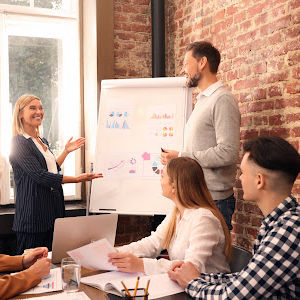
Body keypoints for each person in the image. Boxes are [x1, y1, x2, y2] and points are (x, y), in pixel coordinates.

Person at [168, 136, 300, 299]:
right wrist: (200, 277)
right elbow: (245, 280)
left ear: (259, 180)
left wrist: (191, 282)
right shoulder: (277, 222)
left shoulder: (288, 231)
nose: (239, 178)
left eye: (243, 173)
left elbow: (232, 297)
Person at [161, 41, 241, 230]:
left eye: (186, 64)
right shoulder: (204, 101)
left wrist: (182, 156)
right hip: (198, 195)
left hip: (214, 200)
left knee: (210, 260)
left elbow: (228, 152)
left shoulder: (222, 100)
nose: (183, 70)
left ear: (202, 62)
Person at [10, 94, 103, 254]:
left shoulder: (42, 141)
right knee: (30, 269)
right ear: (20, 114)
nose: (38, 111)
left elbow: (51, 169)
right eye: (32, 108)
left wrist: (65, 152)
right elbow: (40, 175)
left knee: (50, 267)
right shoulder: (19, 142)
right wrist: (77, 179)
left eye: (40, 107)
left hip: (53, 213)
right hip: (33, 218)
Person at [108, 157, 232, 275]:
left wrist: (141, 265)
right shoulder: (177, 212)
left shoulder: (204, 219)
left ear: (174, 186)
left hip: (208, 290)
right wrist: (116, 253)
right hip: (184, 287)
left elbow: (190, 268)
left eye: (162, 176)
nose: (160, 181)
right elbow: (153, 243)